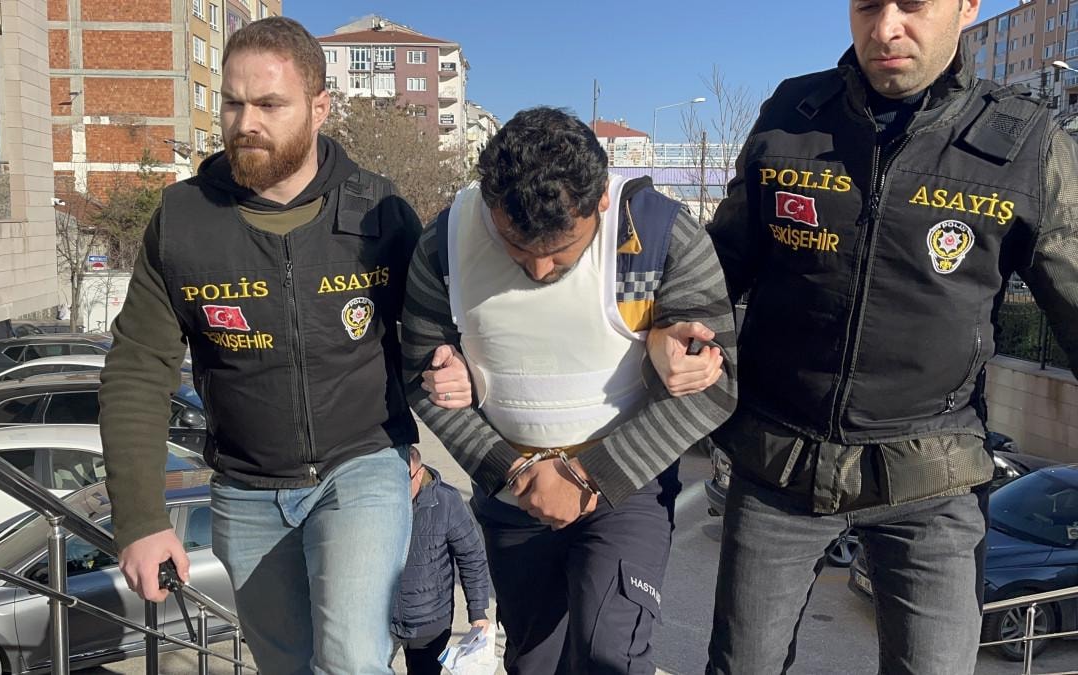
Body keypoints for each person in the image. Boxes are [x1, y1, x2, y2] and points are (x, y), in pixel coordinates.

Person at [649, 1, 1078, 673]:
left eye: (913, 5)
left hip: (934, 477)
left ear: (967, 7)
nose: (885, 29)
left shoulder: (1028, 142)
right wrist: (674, 319)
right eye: (867, 5)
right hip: (780, 463)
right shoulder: (793, 113)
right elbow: (722, 261)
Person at [97, 16, 468, 673]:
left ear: (320, 108)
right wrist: (141, 519)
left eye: (269, 105)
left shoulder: (379, 210)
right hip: (246, 488)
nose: (246, 123)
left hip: (361, 466)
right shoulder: (182, 222)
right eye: (233, 103)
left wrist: (457, 376)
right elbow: (137, 371)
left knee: (353, 658)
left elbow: (432, 328)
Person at [402, 106, 738, 674]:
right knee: (533, 662)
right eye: (515, 246)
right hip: (512, 498)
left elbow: (715, 388)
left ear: (601, 200)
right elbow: (420, 374)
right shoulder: (445, 242)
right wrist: (511, 471)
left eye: (560, 249)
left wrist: (589, 476)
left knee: (611, 656)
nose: (538, 270)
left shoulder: (659, 234)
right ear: (490, 204)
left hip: (626, 490)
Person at [391, 446, 490, 675]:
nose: (396, 487)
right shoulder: (375, 501)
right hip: (383, 622)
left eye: (403, 479)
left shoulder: (446, 501)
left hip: (431, 624)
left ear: (420, 473)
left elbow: (471, 556)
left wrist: (478, 612)